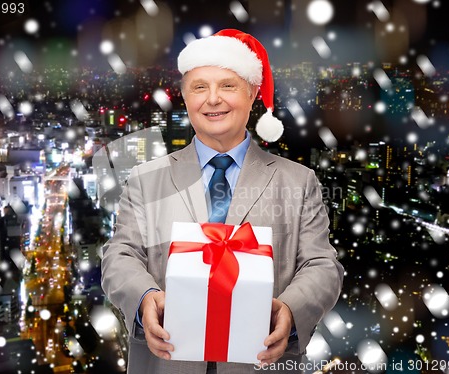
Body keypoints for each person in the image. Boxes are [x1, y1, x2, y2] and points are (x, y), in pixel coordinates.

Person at [101, 29, 344, 374]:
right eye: (199, 87)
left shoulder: (297, 181)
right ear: (185, 97)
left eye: (228, 85)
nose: (212, 99)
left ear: (252, 93)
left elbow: (322, 266)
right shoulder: (146, 179)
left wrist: (291, 309)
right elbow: (119, 255)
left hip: (263, 363)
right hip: (166, 361)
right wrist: (144, 299)